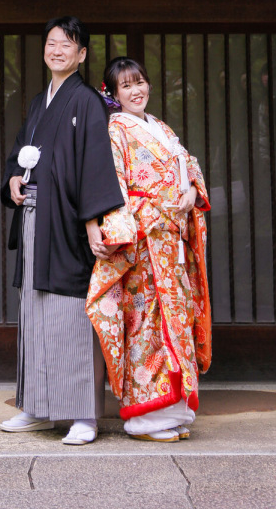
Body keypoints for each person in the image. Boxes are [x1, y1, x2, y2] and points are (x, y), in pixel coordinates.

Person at [0, 17, 124, 445]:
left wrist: (93, 223)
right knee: (34, 312)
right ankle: (36, 408)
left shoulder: (87, 101)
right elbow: (22, 152)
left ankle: (84, 415)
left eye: (66, 44)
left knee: (71, 314)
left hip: (69, 223)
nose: (57, 50)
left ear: (82, 54)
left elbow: (95, 164)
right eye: (51, 43)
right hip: (36, 219)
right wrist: (13, 178)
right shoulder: (40, 102)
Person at [86, 56, 211, 443]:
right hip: (143, 243)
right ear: (113, 94)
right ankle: (145, 418)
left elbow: (188, 165)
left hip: (171, 242)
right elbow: (113, 184)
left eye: (139, 82)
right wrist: (145, 217)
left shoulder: (160, 127)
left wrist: (190, 191)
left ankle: (173, 411)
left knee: (177, 320)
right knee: (147, 323)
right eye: (126, 86)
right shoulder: (115, 130)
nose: (136, 91)